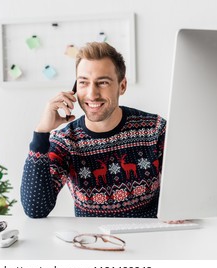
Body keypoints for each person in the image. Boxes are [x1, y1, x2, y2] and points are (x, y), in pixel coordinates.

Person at [21, 42, 166, 218]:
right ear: (75, 88)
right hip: (91, 241)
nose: (92, 94)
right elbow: (35, 209)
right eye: (83, 83)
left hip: (151, 238)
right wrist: (41, 133)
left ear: (122, 86)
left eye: (102, 82)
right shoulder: (65, 141)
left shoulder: (154, 129)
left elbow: (185, 184)